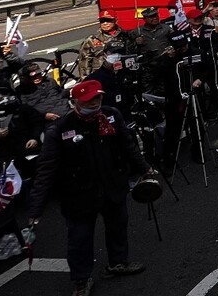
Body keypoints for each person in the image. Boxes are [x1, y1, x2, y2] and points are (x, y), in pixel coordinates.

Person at [26, 80, 152, 296]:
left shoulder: (111, 115)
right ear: (75, 102)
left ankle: (118, 262)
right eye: (89, 100)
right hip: (79, 194)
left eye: (98, 98)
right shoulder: (60, 129)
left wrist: (145, 168)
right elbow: (46, 171)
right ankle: (81, 280)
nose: (95, 103)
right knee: (79, 239)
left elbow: (127, 145)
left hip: (111, 185)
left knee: (118, 226)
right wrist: (35, 209)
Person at [77, 11, 130, 78]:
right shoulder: (91, 40)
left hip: (123, 74)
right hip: (100, 76)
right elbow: (84, 63)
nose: (105, 23)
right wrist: (86, 80)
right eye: (102, 21)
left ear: (115, 20)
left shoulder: (126, 37)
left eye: (108, 20)